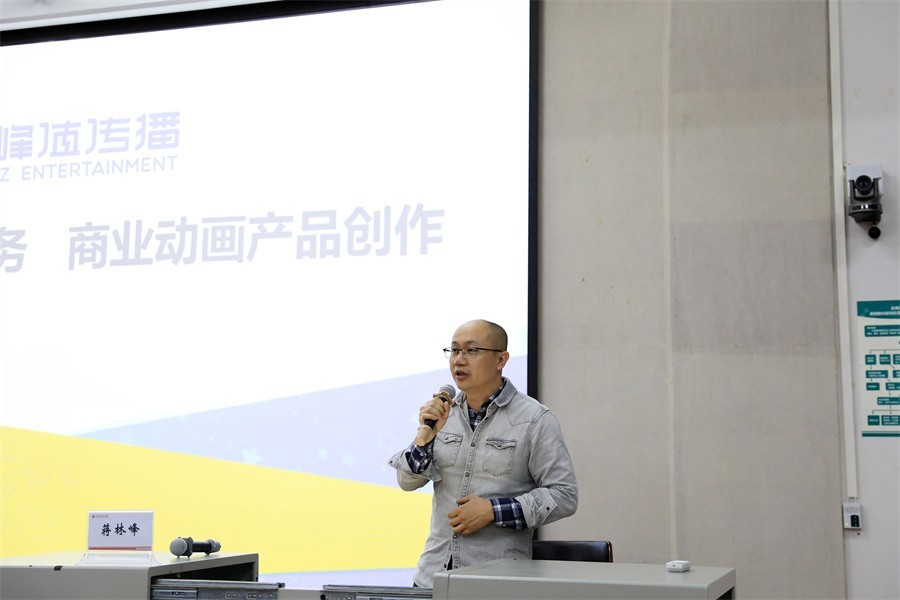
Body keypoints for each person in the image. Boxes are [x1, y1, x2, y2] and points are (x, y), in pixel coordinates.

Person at [388, 319, 578, 588]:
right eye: (454, 350)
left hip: (498, 583)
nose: (459, 360)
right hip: (433, 578)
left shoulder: (534, 419)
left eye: (471, 350)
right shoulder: (442, 414)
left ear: (501, 360)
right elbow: (407, 482)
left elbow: (564, 495)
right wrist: (424, 438)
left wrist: (493, 510)